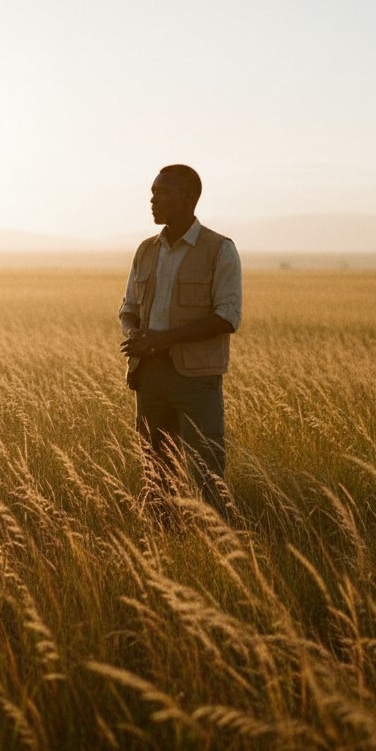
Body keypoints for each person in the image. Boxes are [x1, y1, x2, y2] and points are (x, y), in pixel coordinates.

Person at [119, 165, 242, 518]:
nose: (152, 199)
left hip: (197, 380)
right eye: (153, 192)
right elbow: (128, 311)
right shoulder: (145, 251)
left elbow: (227, 318)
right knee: (156, 473)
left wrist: (159, 340)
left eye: (161, 193)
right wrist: (137, 342)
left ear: (189, 199)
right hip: (149, 378)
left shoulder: (220, 249)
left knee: (208, 472)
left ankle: (222, 548)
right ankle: (166, 544)